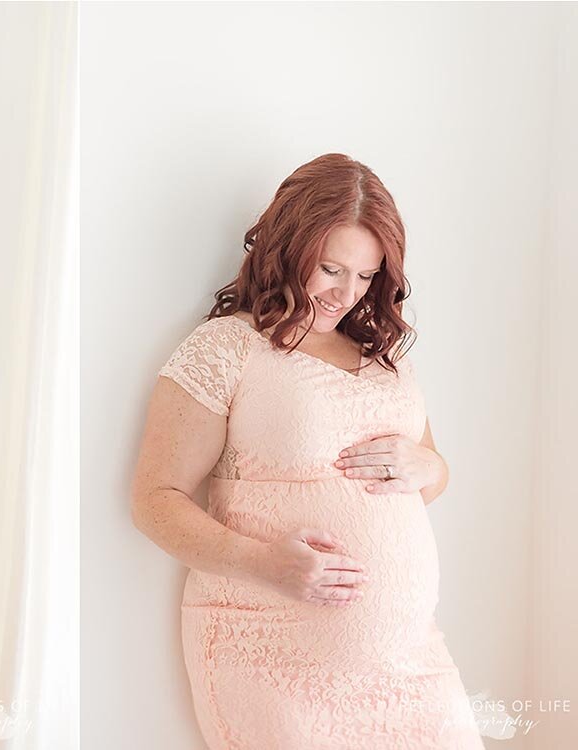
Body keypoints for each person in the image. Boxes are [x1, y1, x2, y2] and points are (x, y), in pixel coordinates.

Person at [130, 153, 484, 749]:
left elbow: (429, 477)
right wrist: (265, 563)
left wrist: (435, 466)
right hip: (274, 658)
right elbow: (154, 501)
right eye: (330, 268)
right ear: (288, 248)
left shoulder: (384, 361)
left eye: (367, 276)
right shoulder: (227, 348)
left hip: (411, 658)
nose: (347, 293)